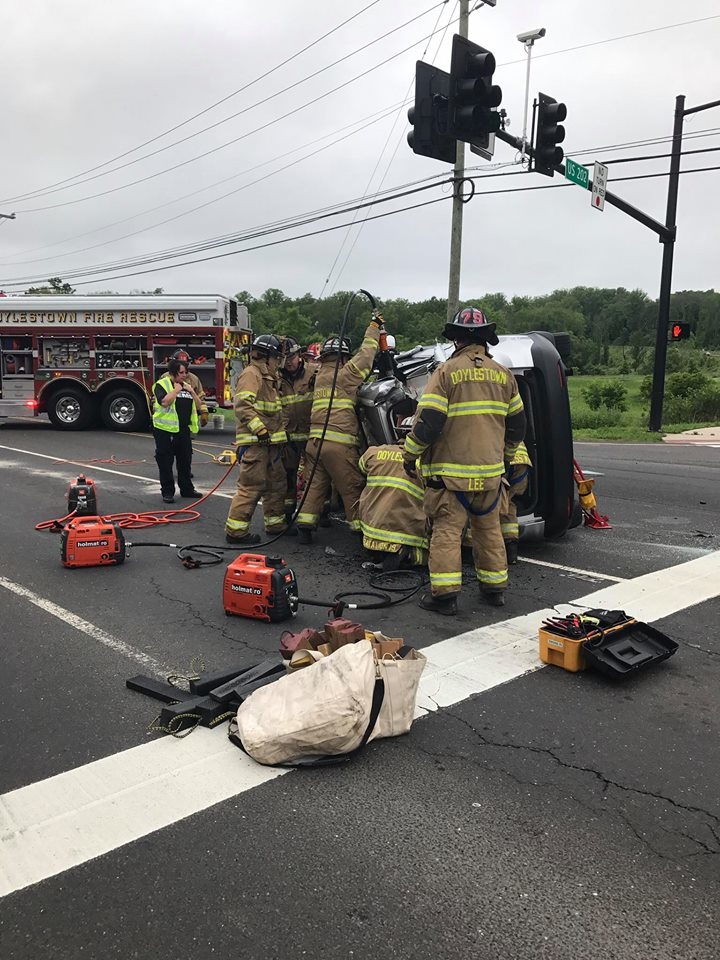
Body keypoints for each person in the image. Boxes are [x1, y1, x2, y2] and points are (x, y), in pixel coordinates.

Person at [402, 306, 526, 616]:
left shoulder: (445, 373)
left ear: (456, 339)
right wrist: (506, 459)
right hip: (491, 476)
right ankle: (494, 589)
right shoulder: (504, 375)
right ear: (486, 340)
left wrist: (409, 454)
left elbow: (429, 423)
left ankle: (444, 597)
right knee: (489, 530)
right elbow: (518, 425)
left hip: (451, 478)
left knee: (446, 532)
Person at [296, 314, 382, 544]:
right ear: (344, 356)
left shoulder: (320, 375)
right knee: (351, 486)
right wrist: (374, 328)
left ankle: (305, 525)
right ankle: (360, 530)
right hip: (339, 444)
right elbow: (366, 356)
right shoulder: (345, 374)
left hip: (314, 444)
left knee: (315, 486)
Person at [225, 334, 290, 544]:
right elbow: (243, 406)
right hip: (256, 444)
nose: (278, 362)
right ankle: (236, 532)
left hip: (270, 445)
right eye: (277, 358)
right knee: (251, 487)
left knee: (276, 485)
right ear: (268, 357)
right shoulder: (251, 374)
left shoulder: (268, 378)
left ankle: (275, 524)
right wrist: (260, 430)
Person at [357, 418, 429, 570]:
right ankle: (406, 554)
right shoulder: (423, 463)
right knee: (435, 554)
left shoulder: (373, 452)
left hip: (370, 532)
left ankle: (380, 554)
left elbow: (362, 468)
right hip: (404, 533)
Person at [152, 358, 203, 504]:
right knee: (166, 462)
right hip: (165, 430)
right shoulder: (161, 384)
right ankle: (167, 492)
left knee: (185, 461)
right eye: (181, 372)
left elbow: (199, 406)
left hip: (183, 430)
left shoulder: (187, 386)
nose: (185, 375)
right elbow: (164, 402)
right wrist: (176, 390)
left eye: (186, 372)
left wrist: (192, 391)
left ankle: (187, 489)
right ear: (173, 373)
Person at [278, 336, 316, 522]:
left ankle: (321, 513)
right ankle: (287, 512)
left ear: (299, 355)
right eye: (284, 359)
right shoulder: (278, 378)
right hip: (289, 436)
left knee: (315, 476)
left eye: (291, 358)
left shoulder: (313, 373)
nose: (288, 363)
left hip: (312, 434)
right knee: (288, 476)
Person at [499, 440, 532, 565]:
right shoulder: (505, 420)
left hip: (504, 461)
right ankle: (511, 550)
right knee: (508, 502)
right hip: (522, 462)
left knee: (484, 503)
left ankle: (471, 548)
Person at [172, 350, 209, 427]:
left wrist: (204, 412)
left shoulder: (194, 379)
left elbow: (200, 398)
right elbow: (158, 399)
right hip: (171, 423)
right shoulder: (165, 378)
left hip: (188, 421)